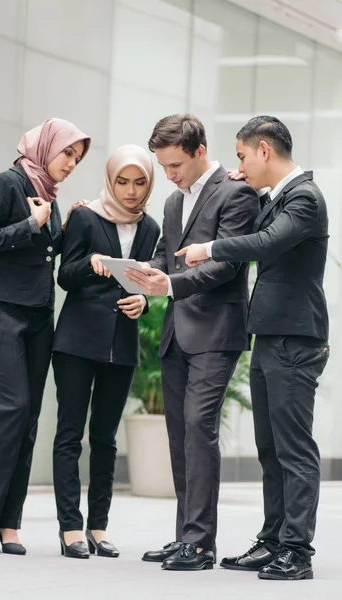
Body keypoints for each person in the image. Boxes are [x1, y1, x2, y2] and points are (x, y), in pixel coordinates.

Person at [176, 115, 329, 581]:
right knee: (269, 447)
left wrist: (210, 248)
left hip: (296, 338)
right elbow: (267, 226)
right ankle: (273, 539)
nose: (238, 164)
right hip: (271, 334)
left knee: (293, 449)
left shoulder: (305, 198)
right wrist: (259, 188)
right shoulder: (281, 197)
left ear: (264, 150)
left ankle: (297, 552)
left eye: (242, 155)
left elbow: (266, 242)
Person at [125, 114, 259, 571]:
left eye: (176, 165)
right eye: (164, 167)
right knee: (180, 436)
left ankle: (200, 544)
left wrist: (171, 286)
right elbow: (167, 255)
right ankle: (185, 535)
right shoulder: (172, 203)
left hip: (215, 332)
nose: (170, 175)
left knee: (200, 431)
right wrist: (139, 272)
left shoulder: (236, 193)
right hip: (176, 332)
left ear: (201, 150)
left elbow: (228, 265)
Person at [0, 118, 91, 555]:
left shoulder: (50, 195)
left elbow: (47, 251)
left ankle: (8, 523)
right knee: (12, 409)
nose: (71, 164)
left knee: (30, 417)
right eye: (67, 154)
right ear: (45, 147)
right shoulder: (8, 183)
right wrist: (32, 223)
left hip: (39, 317)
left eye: (77, 158)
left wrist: (65, 224)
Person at [52, 144, 160, 559]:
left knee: (106, 438)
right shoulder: (84, 216)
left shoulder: (149, 227)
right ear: (110, 180)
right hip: (77, 342)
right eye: (122, 181)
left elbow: (149, 281)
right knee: (70, 434)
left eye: (139, 182)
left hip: (122, 342)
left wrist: (144, 302)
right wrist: (93, 260)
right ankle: (69, 529)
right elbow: (66, 276)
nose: (130, 191)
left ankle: (98, 526)